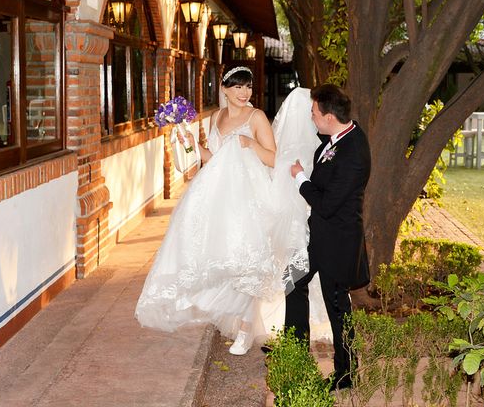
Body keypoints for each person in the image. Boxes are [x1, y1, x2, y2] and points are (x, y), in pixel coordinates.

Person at [135, 66, 321, 355]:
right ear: (224, 88)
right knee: (220, 256)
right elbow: (212, 158)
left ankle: (246, 330)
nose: (244, 93)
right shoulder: (215, 117)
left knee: (247, 261)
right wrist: (192, 145)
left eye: (248, 87)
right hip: (218, 196)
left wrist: (249, 145)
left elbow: (274, 159)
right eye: (238, 87)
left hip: (249, 196)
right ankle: (230, 315)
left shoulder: (256, 117)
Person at [286, 83, 371, 391]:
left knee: (337, 308)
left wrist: (299, 178)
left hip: (337, 242)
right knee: (291, 279)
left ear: (328, 115)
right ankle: (293, 350)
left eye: (313, 113)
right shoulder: (333, 140)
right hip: (318, 235)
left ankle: (346, 373)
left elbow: (325, 203)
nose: (311, 118)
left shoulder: (354, 152)